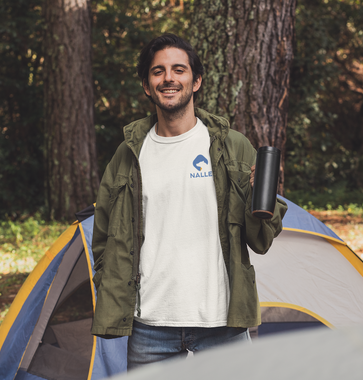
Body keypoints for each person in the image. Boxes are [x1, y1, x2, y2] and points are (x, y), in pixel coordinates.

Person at [91, 33, 288, 370]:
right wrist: (113, 290)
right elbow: (103, 238)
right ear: (147, 85)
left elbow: (262, 238)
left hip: (222, 323)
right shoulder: (127, 154)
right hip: (150, 325)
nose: (169, 78)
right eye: (158, 71)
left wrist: (261, 198)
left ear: (196, 81)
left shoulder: (234, 147)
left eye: (179, 70)